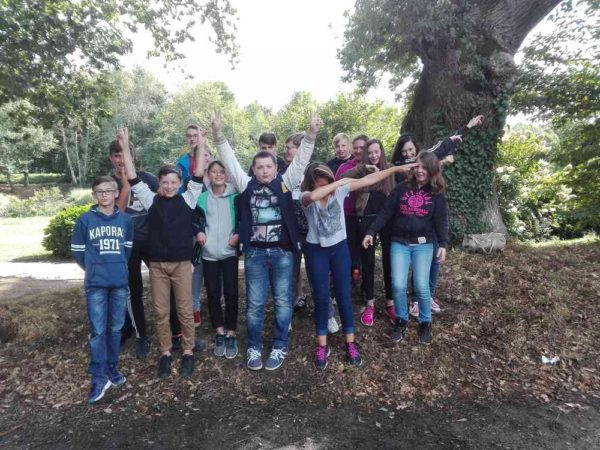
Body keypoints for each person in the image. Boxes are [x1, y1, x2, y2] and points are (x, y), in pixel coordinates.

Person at [212, 111, 321, 371]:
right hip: (255, 255)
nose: (264, 171)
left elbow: (301, 161)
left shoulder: (285, 183)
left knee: (283, 302)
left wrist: (311, 134)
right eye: (260, 167)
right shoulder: (246, 185)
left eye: (268, 167)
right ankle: (254, 346)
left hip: (283, 254)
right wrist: (217, 134)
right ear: (254, 170)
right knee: (255, 305)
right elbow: (230, 161)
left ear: (275, 168)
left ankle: (280, 345)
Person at [301, 162, 415, 370]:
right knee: (321, 298)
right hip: (316, 251)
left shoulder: (339, 190)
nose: (327, 187)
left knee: (344, 296)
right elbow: (314, 196)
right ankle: (322, 346)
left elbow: (369, 179)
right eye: (321, 183)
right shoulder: (305, 196)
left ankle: (350, 343)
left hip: (339, 250)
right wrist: (340, 182)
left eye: (328, 182)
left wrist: (396, 170)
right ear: (311, 183)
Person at [120, 128, 206, 379]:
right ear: (159, 184)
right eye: (165, 182)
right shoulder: (151, 200)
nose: (169, 186)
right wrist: (125, 146)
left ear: (180, 183)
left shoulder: (188, 199)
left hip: (181, 265)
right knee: (161, 311)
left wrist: (201, 143)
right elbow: (132, 176)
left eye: (173, 182)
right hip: (157, 265)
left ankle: (188, 351)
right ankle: (165, 352)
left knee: (185, 310)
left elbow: (199, 172)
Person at [391, 115, 483, 316]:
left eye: (411, 149)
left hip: (430, 218)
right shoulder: (400, 166)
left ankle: (428, 295)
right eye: (404, 151)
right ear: (399, 152)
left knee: (434, 260)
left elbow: (442, 146)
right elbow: (416, 172)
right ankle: (415, 299)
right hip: (413, 220)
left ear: (416, 147)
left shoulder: (422, 158)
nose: (408, 153)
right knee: (416, 262)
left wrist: (467, 127)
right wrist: (441, 162)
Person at [363, 152, 449, 345]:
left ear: (432, 170)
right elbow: (386, 212)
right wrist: (371, 231)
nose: (420, 171)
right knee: (398, 285)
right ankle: (401, 320)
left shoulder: (437, 193)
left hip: (423, 245)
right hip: (400, 243)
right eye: (417, 166)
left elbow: (441, 220)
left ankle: (425, 322)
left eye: (424, 167)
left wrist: (443, 244)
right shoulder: (401, 188)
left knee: (421, 285)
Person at [109, 139, 181, 359]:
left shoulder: (147, 178)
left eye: (125, 155)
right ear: (111, 158)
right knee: (133, 291)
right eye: (117, 155)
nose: (122, 160)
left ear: (133, 156)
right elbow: (116, 214)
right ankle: (141, 335)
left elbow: (166, 201)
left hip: (152, 243)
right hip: (127, 245)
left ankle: (176, 333)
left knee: (168, 286)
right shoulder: (109, 183)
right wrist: (125, 185)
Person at [71, 176, 133, 403]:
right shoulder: (85, 220)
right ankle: (98, 377)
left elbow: (127, 250)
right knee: (98, 331)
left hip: (119, 282)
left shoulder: (125, 220)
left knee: (115, 329)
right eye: (100, 191)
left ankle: (112, 368)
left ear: (116, 193)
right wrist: (94, 268)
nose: (104, 195)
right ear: (94, 195)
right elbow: (78, 251)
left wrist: (117, 268)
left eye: (109, 191)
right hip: (96, 284)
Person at [339, 138, 396, 326]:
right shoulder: (361, 171)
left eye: (376, 151)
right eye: (370, 152)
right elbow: (341, 178)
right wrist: (363, 168)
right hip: (366, 219)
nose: (373, 155)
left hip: (387, 220)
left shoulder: (390, 169)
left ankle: (390, 303)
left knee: (389, 261)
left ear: (381, 152)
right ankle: (369, 304)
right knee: (368, 262)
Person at [193, 160, 240, 359]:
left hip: (229, 251)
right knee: (213, 293)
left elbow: (243, 219)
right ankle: (219, 330)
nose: (218, 175)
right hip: (209, 253)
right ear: (208, 175)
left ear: (226, 175)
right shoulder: (202, 198)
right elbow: (195, 220)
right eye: (214, 172)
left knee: (231, 292)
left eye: (222, 171)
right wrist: (198, 232)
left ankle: (231, 331)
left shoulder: (235, 196)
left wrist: (237, 235)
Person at [177, 124, 213, 326]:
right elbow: (187, 207)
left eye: (207, 155)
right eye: (201, 156)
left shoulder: (219, 179)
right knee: (196, 269)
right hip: (195, 230)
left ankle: (215, 305)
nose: (204, 158)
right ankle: (195, 307)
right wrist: (196, 230)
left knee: (215, 270)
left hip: (216, 231)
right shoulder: (190, 182)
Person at [334, 134, 369, 285]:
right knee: (347, 250)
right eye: (355, 147)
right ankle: (345, 281)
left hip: (366, 215)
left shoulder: (374, 166)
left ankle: (364, 284)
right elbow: (335, 186)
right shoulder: (345, 167)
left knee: (364, 252)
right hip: (347, 214)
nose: (358, 150)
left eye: (362, 147)